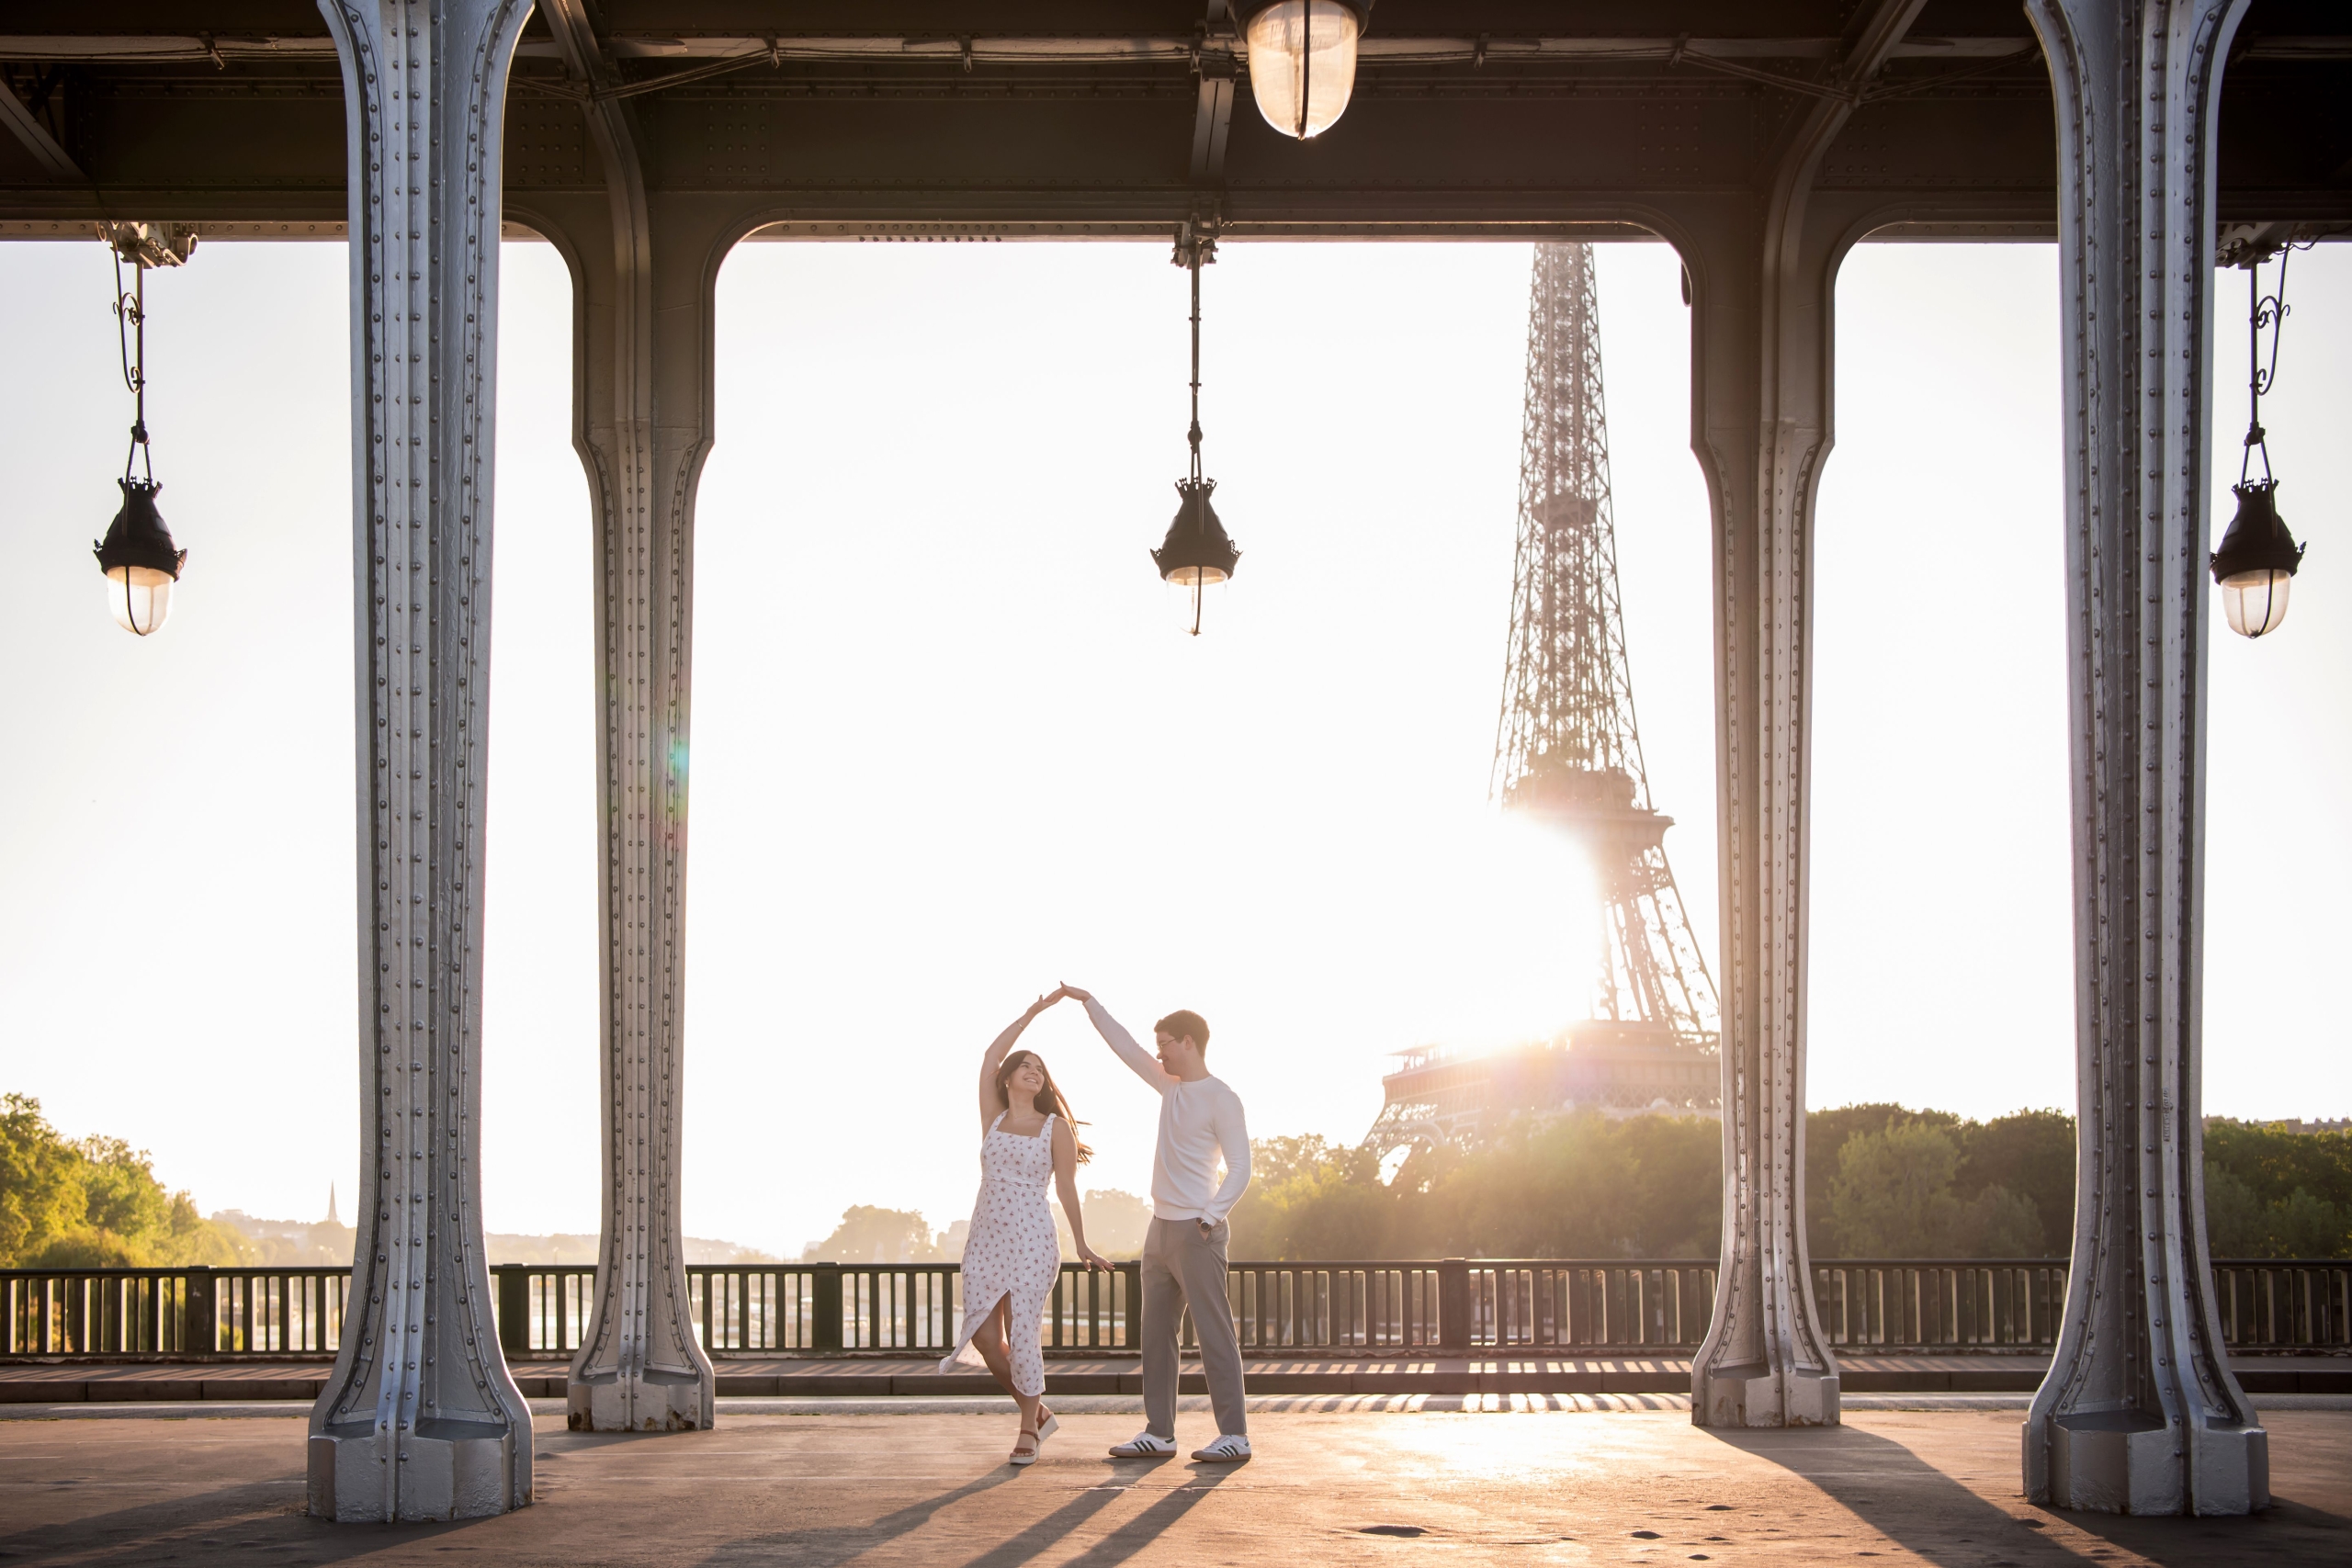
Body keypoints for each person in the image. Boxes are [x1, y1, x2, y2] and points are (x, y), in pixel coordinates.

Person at [1063, 986, 1252, 1463]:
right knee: (1155, 1335)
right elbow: (1123, 1046)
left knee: (1214, 1333)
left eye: (1165, 1042)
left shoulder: (1221, 1098)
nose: (1158, 1051)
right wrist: (1089, 1003)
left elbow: (1242, 1167)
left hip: (1197, 1230)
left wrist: (1210, 1218)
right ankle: (1160, 1432)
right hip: (1159, 1228)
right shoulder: (1168, 1084)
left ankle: (1235, 1435)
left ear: (1188, 1042)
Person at [941, 991, 1111, 1466]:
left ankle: (1026, 1431)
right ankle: (1035, 1411)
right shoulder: (991, 1117)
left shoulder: (1055, 1127)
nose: (1035, 1072)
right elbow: (989, 1056)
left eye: (1041, 1069)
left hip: (1033, 1238)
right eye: (1027, 1067)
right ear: (1010, 1078)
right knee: (984, 1338)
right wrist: (1032, 1014)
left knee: (1022, 1335)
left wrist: (1082, 1243)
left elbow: (1068, 1190)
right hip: (986, 1237)